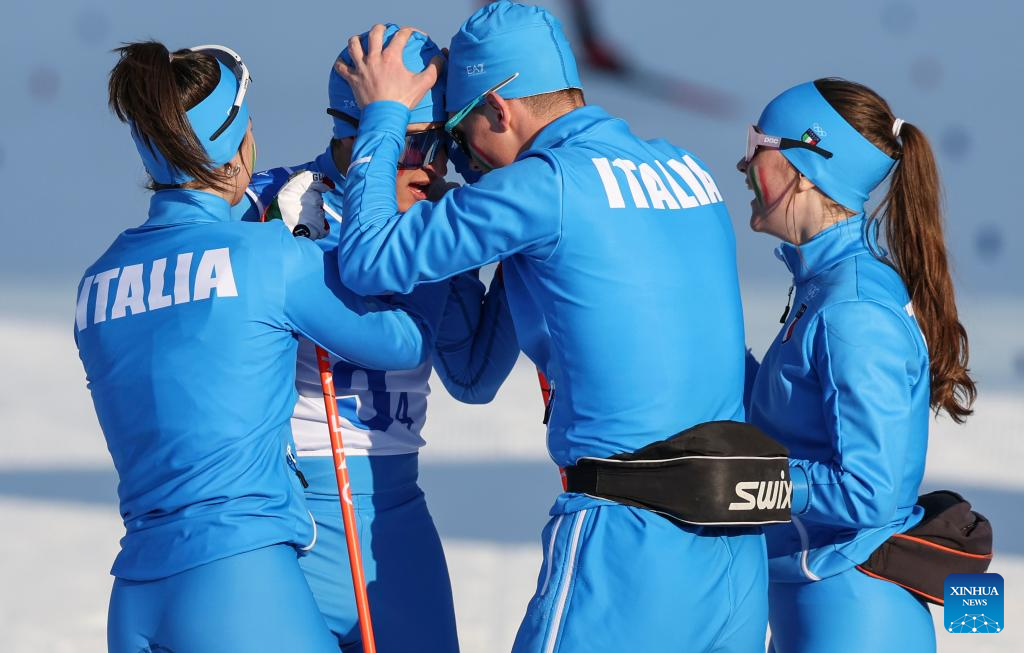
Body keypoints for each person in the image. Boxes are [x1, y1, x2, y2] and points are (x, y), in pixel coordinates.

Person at [332, 3, 770, 651]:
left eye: (457, 135)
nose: (461, 162)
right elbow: (475, 374)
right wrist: (458, 221)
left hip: (628, 542)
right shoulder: (684, 166)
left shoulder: (545, 187)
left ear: (499, 110)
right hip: (735, 547)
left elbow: (369, 259)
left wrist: (384, 118)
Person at [76, 41, 437, 653]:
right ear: (239, 144)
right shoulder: (267, 257)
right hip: (237, 582)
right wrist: (410, 228)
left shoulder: (97, 282)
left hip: (135, 594)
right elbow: (404, 343)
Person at [237, 25, 519, 652]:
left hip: (397, 521)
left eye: (447, 144)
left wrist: (519, 239)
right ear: (356, 134)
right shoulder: (273, 201)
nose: (434, 166)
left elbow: (474, 376)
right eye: (415, 143)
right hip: (291, 517)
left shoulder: (432, 218)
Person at [738, 79, 976, 652]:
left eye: (757, 145)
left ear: (806, 164)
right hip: (818, 601)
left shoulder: (854, 308)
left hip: (853, 614)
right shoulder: (823, 285)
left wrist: (743, 484)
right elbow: (787, 421)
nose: (744, 164)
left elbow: (870, 491)